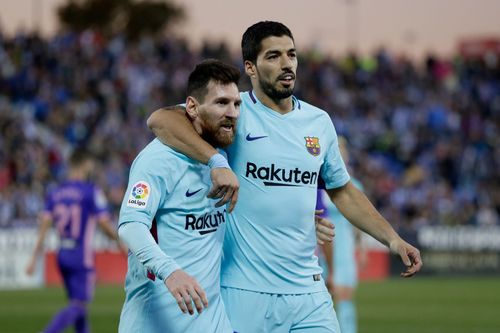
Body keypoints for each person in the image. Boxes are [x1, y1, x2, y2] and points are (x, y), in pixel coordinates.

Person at [147, 21, 422, 332]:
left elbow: (343, 191)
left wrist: (393, 239)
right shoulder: (235, 112)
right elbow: (160, 120)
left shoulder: (318, 122)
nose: (287, 63)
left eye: (291, 54)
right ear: (250, 67)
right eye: (274, 56)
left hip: (309, 292)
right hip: (244, 293)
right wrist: (216, 161)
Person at [117, 59, 241, 333]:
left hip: (212, 322)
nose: (232, 112)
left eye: (236, 104)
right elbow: (130, 225)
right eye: (222, 103)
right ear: (192, 107)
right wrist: (170, 272)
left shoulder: (222, 154)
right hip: (155, 321)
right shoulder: (157, 160)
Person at [26, 148, 123, 333]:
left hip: (62, 254)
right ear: (84, 165)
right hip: (81, 256)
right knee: (79, 306)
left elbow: (44, 227)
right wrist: (119, 242)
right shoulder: (90, 191)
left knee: (78, 305)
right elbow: (103, 223)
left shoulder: (55, 193)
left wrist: (33, 258)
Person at [316, 136, 368, 333]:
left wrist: (361, 249)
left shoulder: (353, 185)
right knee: (323, 296)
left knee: (345, 295)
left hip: (344, 246)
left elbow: (358, 222)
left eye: (342, 149)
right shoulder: (319, 182)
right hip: (321, 244)